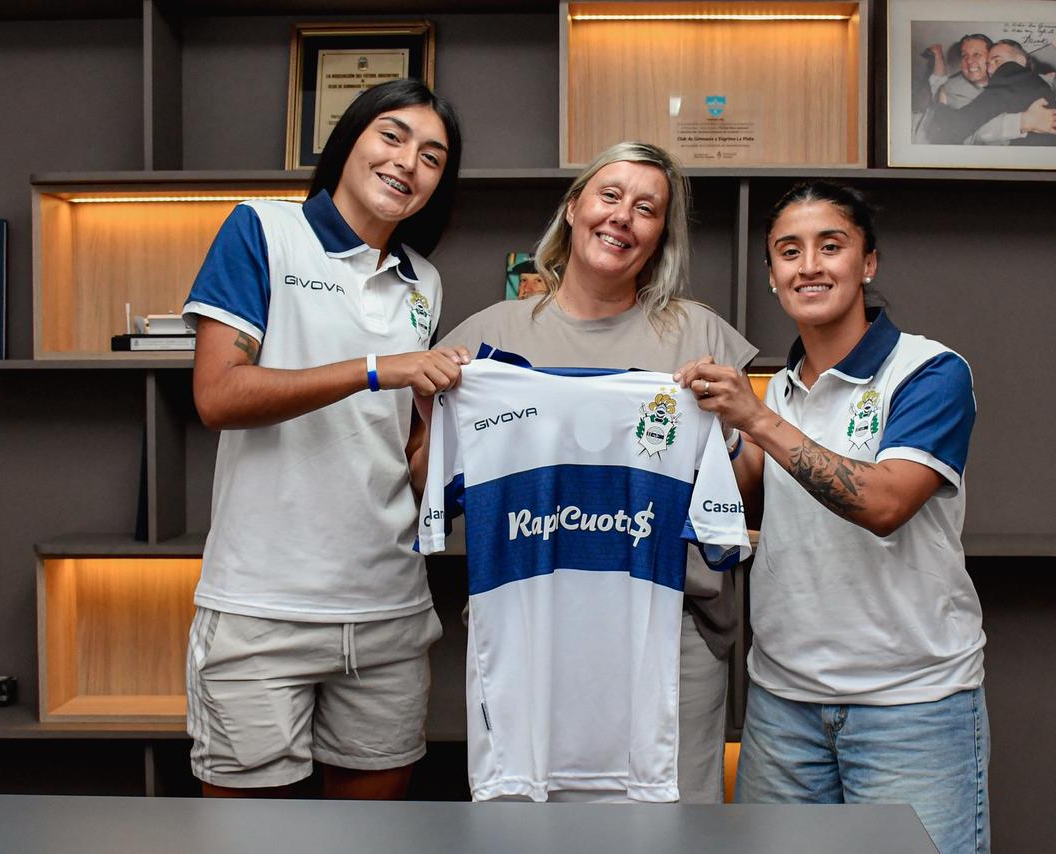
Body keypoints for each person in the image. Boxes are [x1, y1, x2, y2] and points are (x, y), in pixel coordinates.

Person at [436, 140, 757, 802]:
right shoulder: (487, 341)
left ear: (661, 235)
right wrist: (430, 413)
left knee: (668, 827)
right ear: (573, 206)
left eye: (647, 208)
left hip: (667, 627)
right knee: (531, 823)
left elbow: (744, 495)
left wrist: (737, 424)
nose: (622, 217)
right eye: (610, 195)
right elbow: (429, 485)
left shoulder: (700, 336)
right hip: (531, 620)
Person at [675, 181, 986, 854]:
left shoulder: (929, 372)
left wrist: (754, 419)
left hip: (910, 706)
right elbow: (748, 501)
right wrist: (700, 432)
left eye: (831, 246)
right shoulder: (779, 390)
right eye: (789, 251)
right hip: (782, 704)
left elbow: (884, 503)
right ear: (771, 275)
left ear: (868, 262)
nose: (809, 265)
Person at [180, 78, 469, 799]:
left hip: (389, 610)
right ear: (348, 141)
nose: (408, 162)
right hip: (262, 608)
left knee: (369, 840)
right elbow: (218, 395)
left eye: (432, 157)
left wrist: (440, 433)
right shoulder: (262, 229)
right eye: (392, 136)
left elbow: (400, 451)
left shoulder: (424, 283)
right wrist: (375, 369)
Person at [926, 38, 1056, 146]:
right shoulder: (954, 89)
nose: (969, 61)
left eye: (977, 55)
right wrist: (1023, 121)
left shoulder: (1009, 73)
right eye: (964, 56)